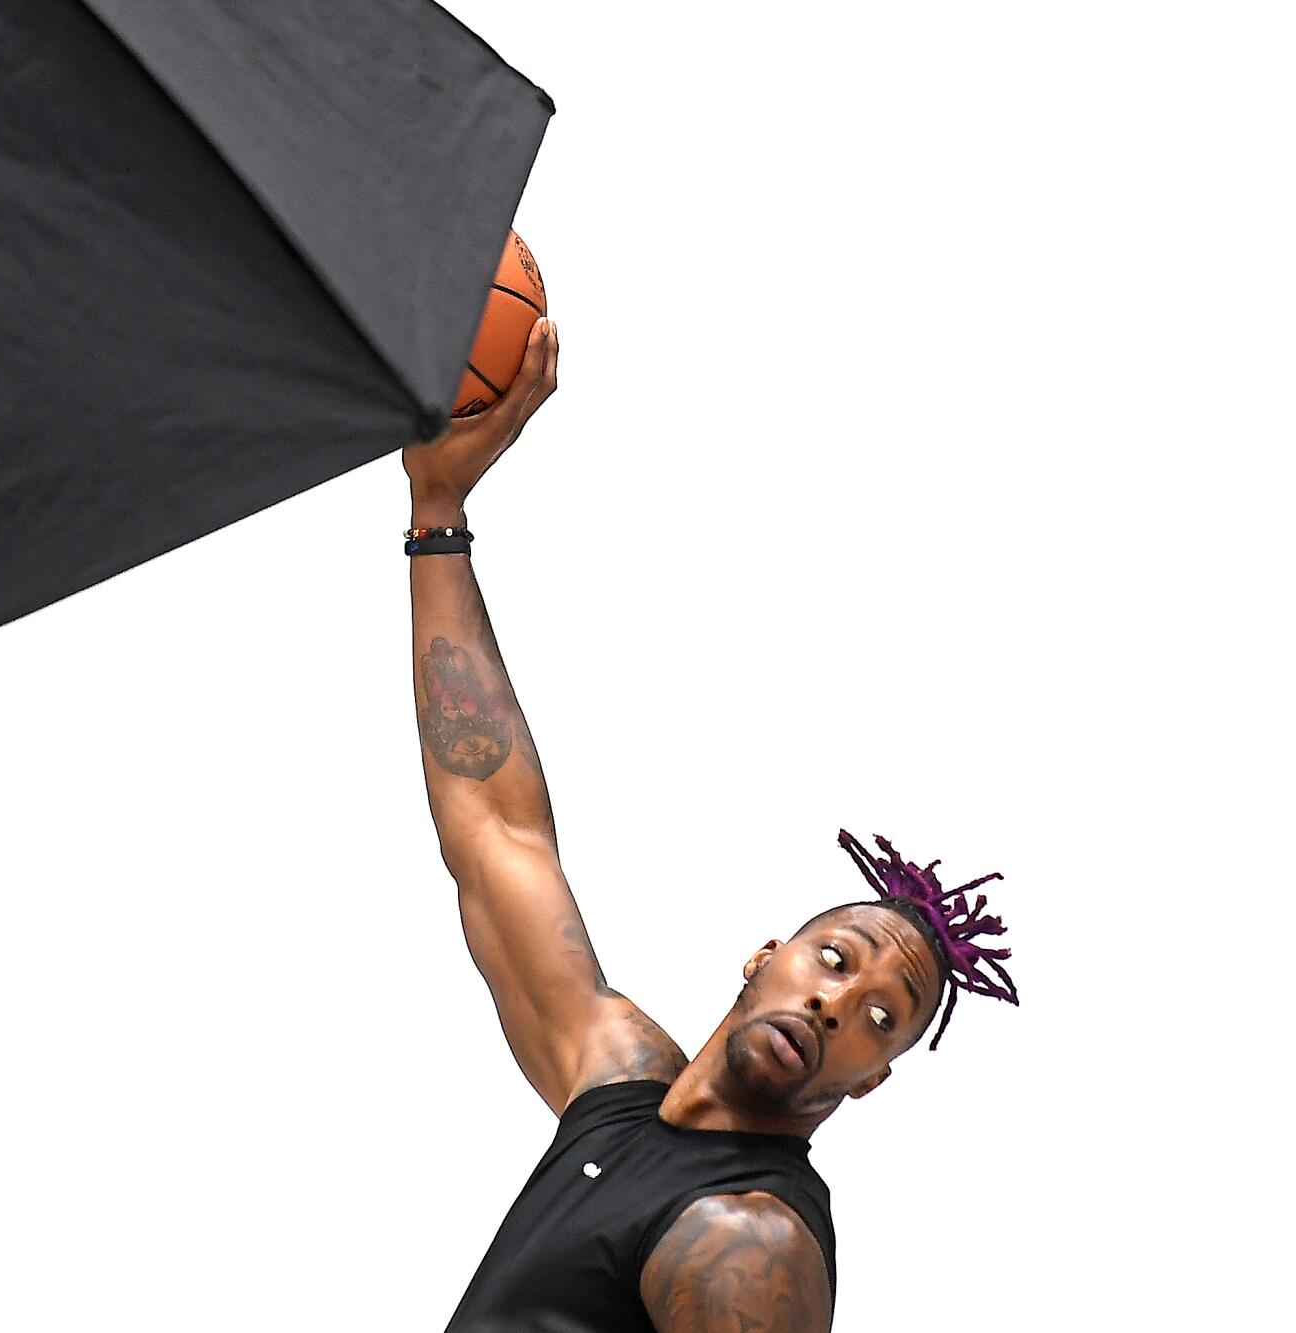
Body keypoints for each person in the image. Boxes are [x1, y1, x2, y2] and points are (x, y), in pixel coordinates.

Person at [401, 316, 1018, 1332]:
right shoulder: (619, 1078)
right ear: (765, 954)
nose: (837, 1005)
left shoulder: (746, 1240)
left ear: (868, 1085)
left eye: (878, 1020)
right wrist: (438, 512)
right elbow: (493, 830)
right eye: (835, 960)